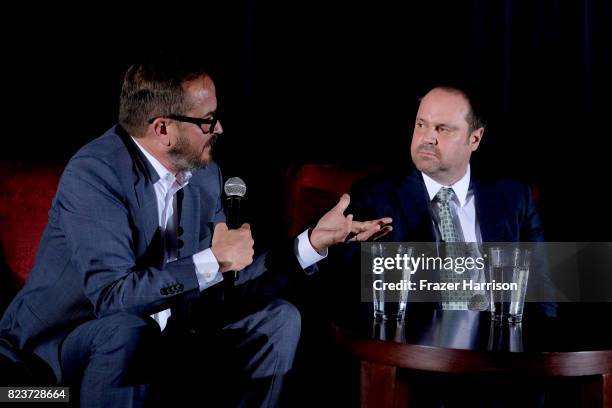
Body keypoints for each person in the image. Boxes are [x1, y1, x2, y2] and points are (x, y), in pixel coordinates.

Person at [0, 56, 391, 407]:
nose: (219, 128)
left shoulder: (204, 175)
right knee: (126, 332)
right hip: (56, 356)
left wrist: (311, 243)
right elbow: (113, 297)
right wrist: (214, 259)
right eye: (207, 120)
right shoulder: (95, 173)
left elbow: (227, 285)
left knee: (278, 319)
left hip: (168, 339)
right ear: (163, 129)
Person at [337, 84, 556, 315]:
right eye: (421, 125)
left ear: (475, 139)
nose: (427, 138)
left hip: (496, 345)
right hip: (414, 345)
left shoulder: (513, 197)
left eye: (443, 129)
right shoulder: (376, 196)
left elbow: (541, 295)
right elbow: (340, 282)